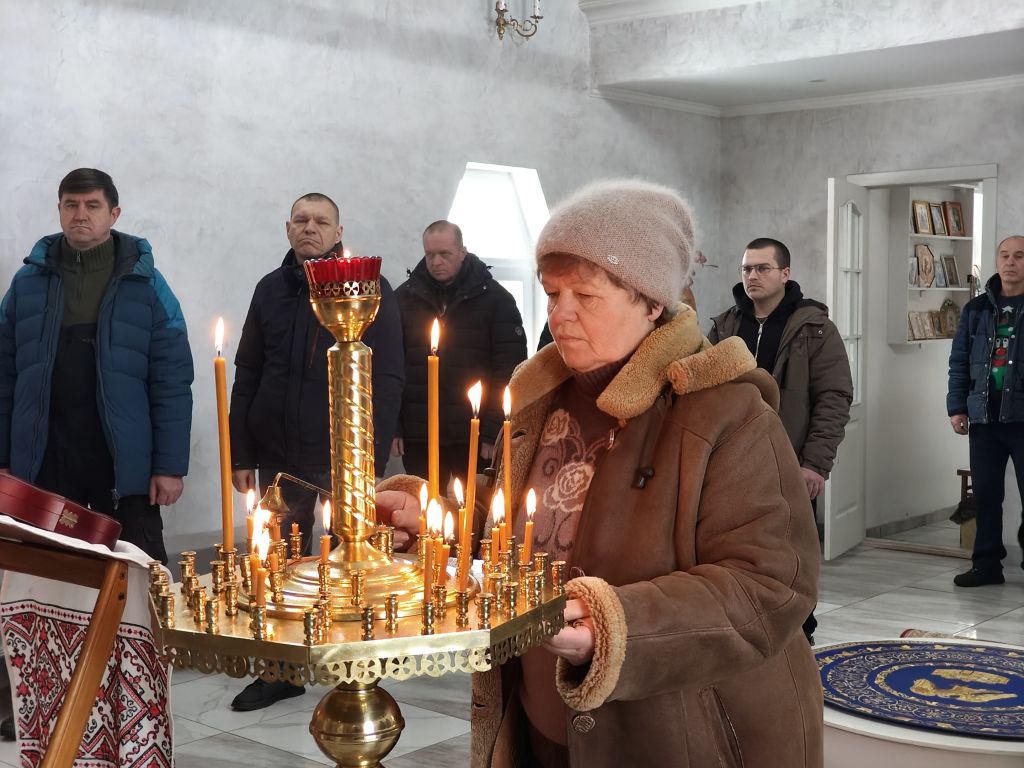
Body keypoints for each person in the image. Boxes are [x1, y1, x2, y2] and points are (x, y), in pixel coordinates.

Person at [378, 180, 823, 767]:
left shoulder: (727, 413)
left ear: (651, 302)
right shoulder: (540, 397)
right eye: (552, 293)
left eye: (584, 295)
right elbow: (526, 520)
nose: (559, 314)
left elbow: (769, 585)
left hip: (680, 736)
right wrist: (439, 518)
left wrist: (614, 625)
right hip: (539, 723)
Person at [228, 192, 404, 710]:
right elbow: (248, 371)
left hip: (340, 455)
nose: (310, 228)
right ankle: (281, 669)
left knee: (346, 560)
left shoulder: (367, 286)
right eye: (301, 220)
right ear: (288, 229)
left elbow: (388, 377)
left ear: (338, 231)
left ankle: (351, 659)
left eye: (321, 221)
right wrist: (241, 453)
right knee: (279, 563)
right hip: (277, 455)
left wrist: (368, 457)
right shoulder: (270, 288)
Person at [0, 168, 193, 564]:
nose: (81, 215)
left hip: (123, 462)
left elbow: (171, 380)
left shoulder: (147, 285)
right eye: (71, 205)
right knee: (48, 570)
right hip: (45, 460)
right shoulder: (27, 283)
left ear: (114, 214)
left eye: (92, 206)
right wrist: (3, 459)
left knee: (139, 571)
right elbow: (4, 378)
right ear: (59, 210)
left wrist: (169, 466)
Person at [709, 237, 852, 643]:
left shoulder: (815, 328)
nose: (752, 276)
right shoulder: (725, 326)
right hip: (733, 462)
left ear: (785, 273)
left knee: (792, 549)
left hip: (790, 459)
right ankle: (745, 626)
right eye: (746, 269)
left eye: (762, 268)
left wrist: (815, 464)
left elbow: (834, 397)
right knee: (735, 548)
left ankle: (799, 630)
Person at [393, 221, 527, 485]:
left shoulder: (497, 301)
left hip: (474, 434)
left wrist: (493, 431)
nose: (436, 262)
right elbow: (392, 366)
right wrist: (394, 426)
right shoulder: (403, 299)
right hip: (421, 434)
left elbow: (509, 370)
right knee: (423, 506)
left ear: (462, 251)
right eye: (430, 255)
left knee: (473, 507)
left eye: (445, 254)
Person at [948, 235, 1024, 587]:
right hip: (984, 417)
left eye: (1019, 256)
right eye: (1004, 255)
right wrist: (957, 407)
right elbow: (959, 361)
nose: (1010, 262)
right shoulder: (976, 309)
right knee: (986, 495)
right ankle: (986, 565)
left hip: (1022, 418)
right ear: (997, 261)